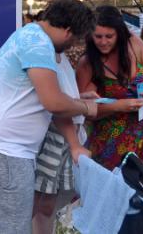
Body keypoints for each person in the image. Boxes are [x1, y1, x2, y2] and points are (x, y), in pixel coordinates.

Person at [0, 0, 98, 233]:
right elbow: (53, 102)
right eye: (75, 40)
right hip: (5, 153)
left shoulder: (28, 35)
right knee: (11, 229)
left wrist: (76, 102)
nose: (72, 47)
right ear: (68, 31)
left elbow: (43, 98)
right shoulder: (39, 44)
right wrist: (87, 108)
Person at [76, 6, 143, 170]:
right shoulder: (87, 64)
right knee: (107, 189)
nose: (103, 41)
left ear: (119, 34)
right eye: (98, 36)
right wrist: (118, 106)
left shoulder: (134, 43)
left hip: (139, 136)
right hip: (108, 143)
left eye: (109, 36)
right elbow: (83, 109)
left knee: (134, 188)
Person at [32, 52, 99, 234]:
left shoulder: (62, 57)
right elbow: (54, 102)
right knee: (33, 203)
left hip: (66, 138)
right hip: (53, 135)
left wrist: (81, 97)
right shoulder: (44, 54)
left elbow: (62, 94)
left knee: (47, 204)